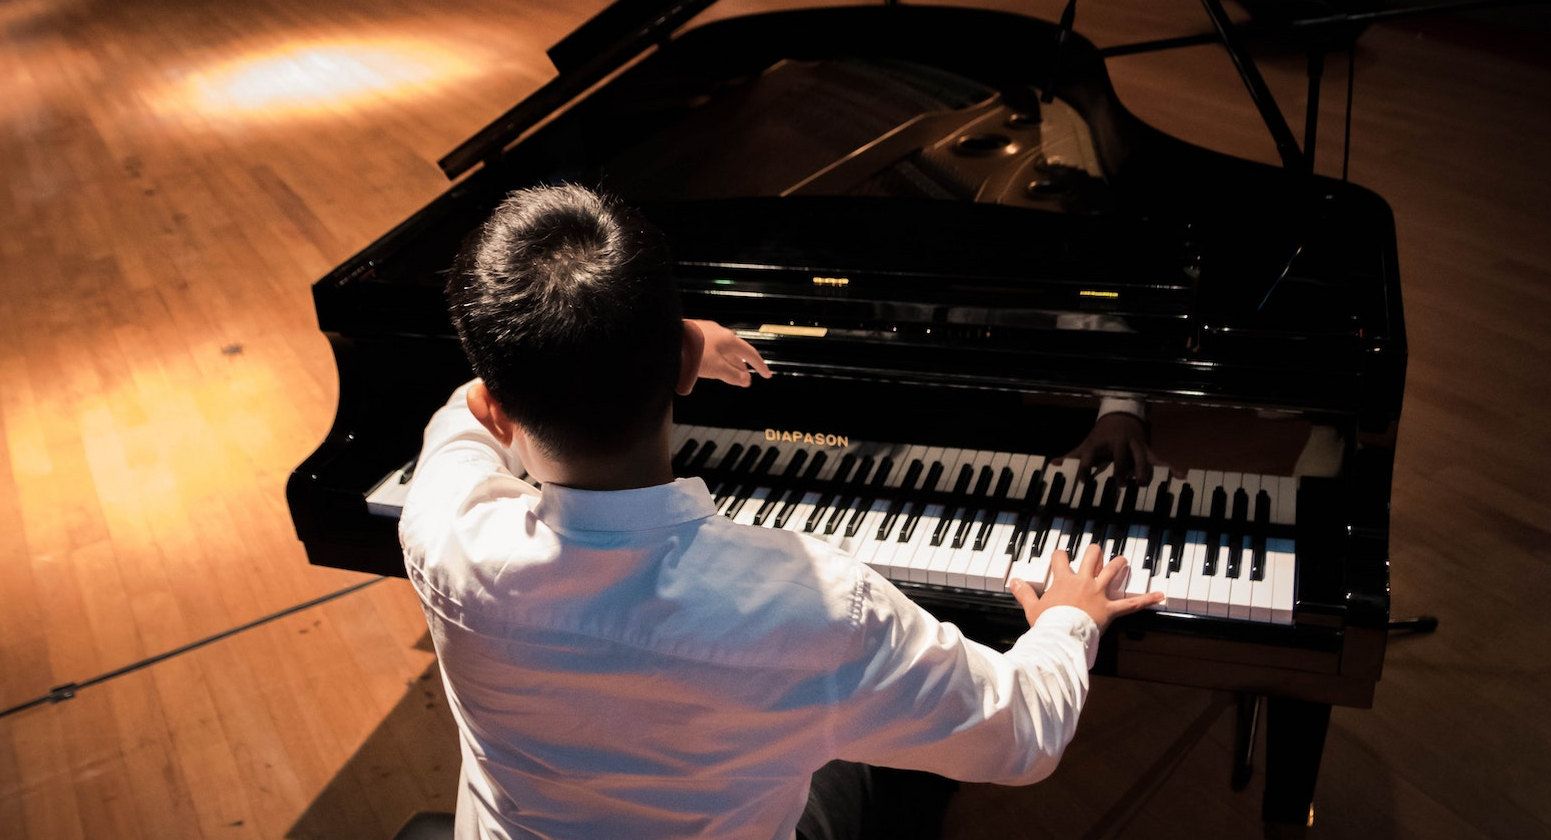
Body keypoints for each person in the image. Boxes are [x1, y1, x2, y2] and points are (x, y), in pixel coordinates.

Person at [398, 184, 1165, 840]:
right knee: (862, 754)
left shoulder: (446, 531)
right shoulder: (819, 609)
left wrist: (668, 346)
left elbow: (460, 416)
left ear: (501, 408)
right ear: (675, 371)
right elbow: (1024, 737)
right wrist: (1071, 621)